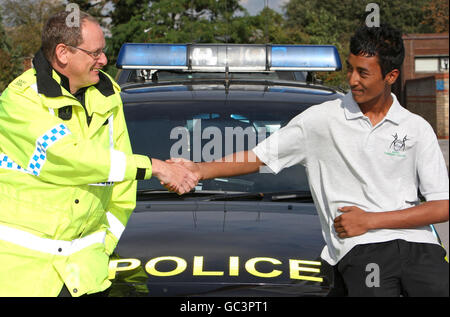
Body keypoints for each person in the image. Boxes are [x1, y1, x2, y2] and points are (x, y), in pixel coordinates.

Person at [170, 24, 449, 296]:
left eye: (363, 73)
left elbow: (443, 206)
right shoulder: (321, 119)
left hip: (421, 247)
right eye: (350, 69)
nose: (352, 80)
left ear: (391, 76)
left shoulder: (416, 127)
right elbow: (259, 157)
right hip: (364, 249)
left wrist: (372, 220)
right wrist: (199, 169)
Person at [0, 11, 197, 297]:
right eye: (95, 53)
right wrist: (154, 167)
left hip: (86, 278)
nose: (103, 60)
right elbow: (67, 159)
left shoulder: (107, 96)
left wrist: (100, 248)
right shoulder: (21, 100)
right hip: (22, 278)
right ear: (63, 53)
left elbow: (122, 189)